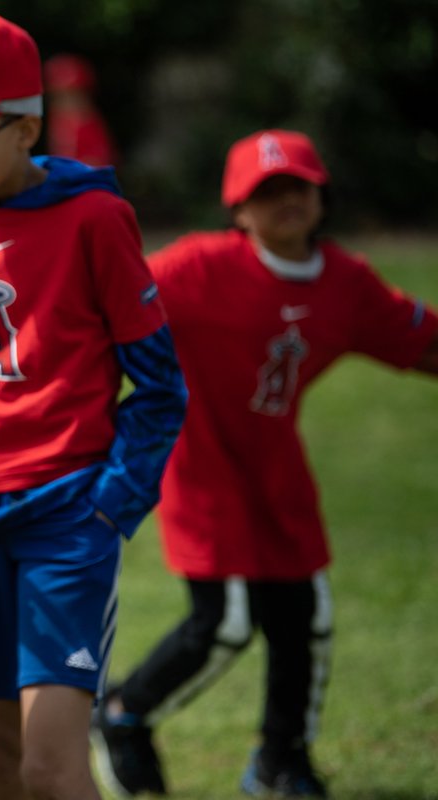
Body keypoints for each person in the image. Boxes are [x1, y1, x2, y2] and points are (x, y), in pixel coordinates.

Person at [0, 12, 187, 800]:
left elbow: (158, 388)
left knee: (53, 766)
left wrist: (109, 508)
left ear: (28, 125)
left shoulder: (95, 217)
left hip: (67, 520)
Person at [90, 129, 438, 799]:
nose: (285, 202)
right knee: (224, 621)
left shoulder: (345, 282)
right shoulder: (196, 268)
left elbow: (418, 339)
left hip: (276, 465)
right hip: (202, 460)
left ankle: (283, 759)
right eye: (265, 192)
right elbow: (105, 311)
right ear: (237, 210)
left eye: (297, 188)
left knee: (305, 616)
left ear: (320, 196)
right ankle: (124, 715)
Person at [43, 54, 118, 168]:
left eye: (73, 96)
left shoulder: (89, 126)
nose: (66, 104)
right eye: (60, 97)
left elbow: (102, 163)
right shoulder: (58, 122)